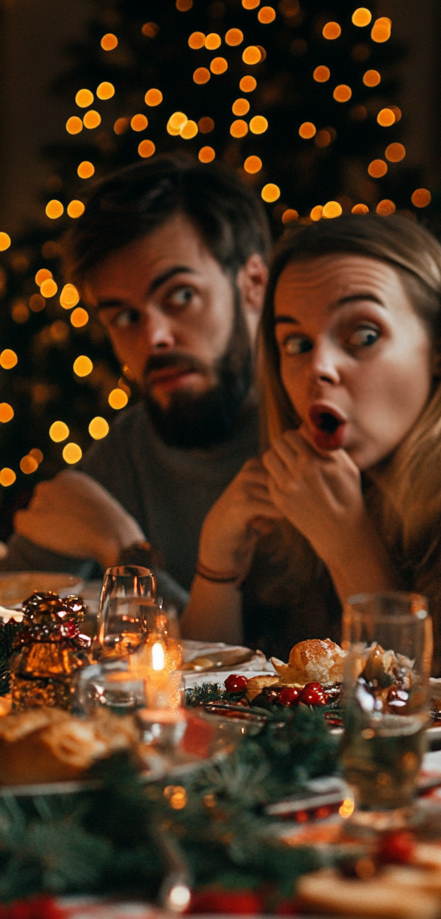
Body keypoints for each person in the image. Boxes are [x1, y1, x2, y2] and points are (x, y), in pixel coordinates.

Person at [181, 216, 441, 683]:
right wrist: (218, 564)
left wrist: (349, 547)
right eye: (296, 343)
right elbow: (207, 698)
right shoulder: (349, 483)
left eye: (364, 335)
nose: (319, 367)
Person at [1, 156, 269, 605]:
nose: (154, 338)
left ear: (253, 283)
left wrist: (123, 551)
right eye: (125, 316)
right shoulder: (129, 450)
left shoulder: (330, 433)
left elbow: (282, 662)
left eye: (181, 295)